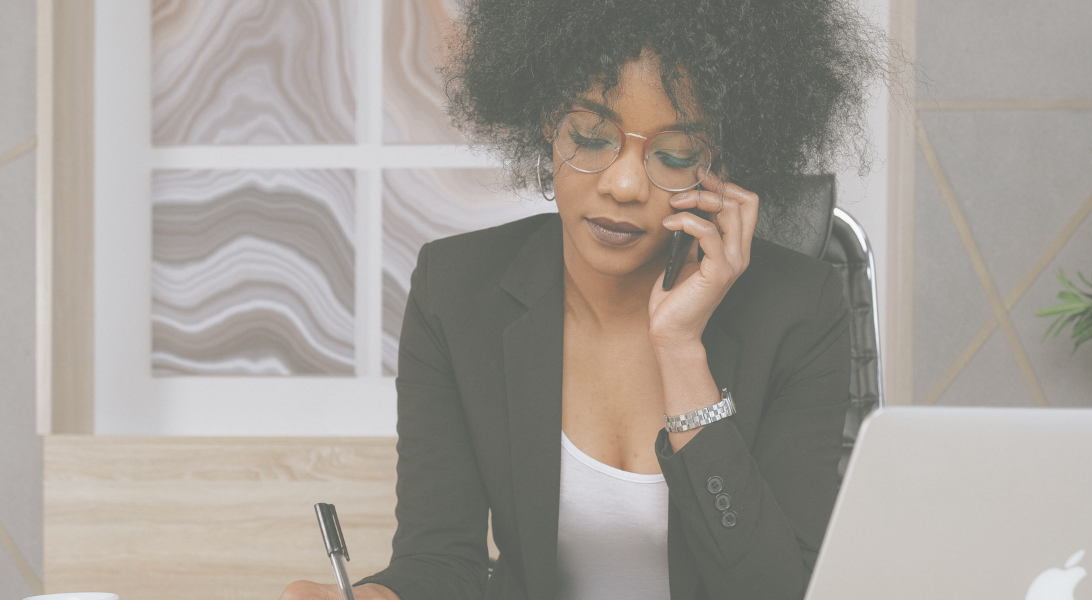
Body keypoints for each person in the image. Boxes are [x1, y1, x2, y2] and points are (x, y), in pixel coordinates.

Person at [283, 0, 883, 598]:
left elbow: (778, 590)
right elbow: (440, 564)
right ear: (548, 122)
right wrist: (368, 597)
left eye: (673, 155)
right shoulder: (458, 292)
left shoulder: (799, 310)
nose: (623, 185)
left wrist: (680, 351)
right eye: (592, 138)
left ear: (718, 163)